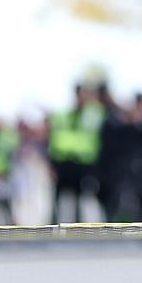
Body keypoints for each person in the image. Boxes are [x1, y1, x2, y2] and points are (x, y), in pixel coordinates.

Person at [47, 83, 104, 224]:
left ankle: (78, 227)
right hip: (64, 162)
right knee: (58, 199)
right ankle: (54, 226)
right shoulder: (64, 115)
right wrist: (52, 163)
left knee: (80, 199)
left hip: (82, 163)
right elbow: (55, 140)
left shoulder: (94, 115)